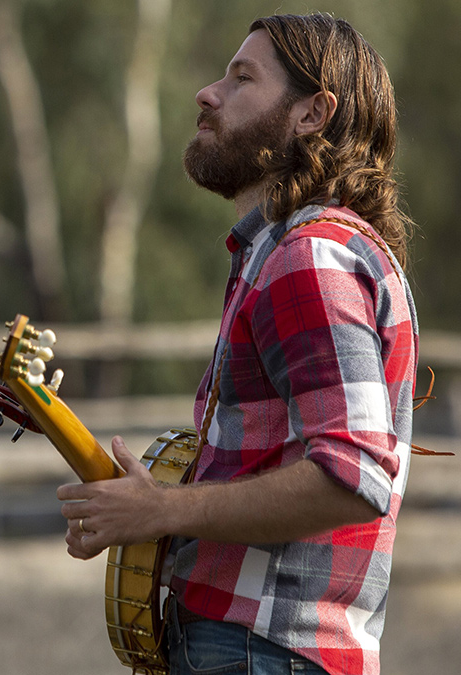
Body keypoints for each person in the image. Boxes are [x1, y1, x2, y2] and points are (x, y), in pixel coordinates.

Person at [58, 14, 418, 675]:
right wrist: (148, 522)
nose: (206, 92)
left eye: (241, 77)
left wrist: (162, 506)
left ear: (311, 113)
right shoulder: (296, 251)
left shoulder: (310, 258)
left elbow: (351, 478)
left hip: (261, 652)